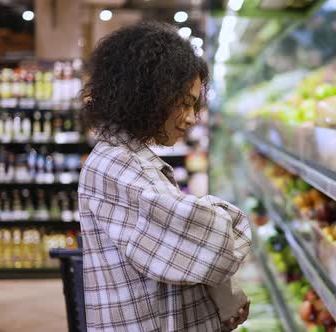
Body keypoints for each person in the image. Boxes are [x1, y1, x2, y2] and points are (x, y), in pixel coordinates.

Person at [78, 22, 252, 331]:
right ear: (148, 94)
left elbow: (180, 256)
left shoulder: (128, 158)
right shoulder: (116, 166)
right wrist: (231, 220)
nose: (191, 117)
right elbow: (218, 246)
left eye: (194, 104)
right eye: (184, 103)